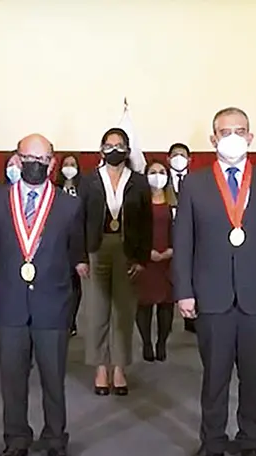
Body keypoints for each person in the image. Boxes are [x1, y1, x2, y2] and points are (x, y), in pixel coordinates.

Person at [173, 107, 256, 456]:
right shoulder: (194, 184)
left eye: (239, 131)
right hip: (212, 297)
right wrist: (184, 290)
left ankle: (250, 442)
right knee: (214, 377)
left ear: (251, 137)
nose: (232, 137)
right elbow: (184, 243)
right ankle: (211, 442)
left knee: (255, 378)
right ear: (213, 139)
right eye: (225, 132)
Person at [0, 133, 86, 456]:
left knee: (54, 379)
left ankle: (56, 439)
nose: (35, 165)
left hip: (52, 305)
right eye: (28, 158)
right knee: (12, 379)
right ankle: (15, 439)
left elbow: (74, 252)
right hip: (10, 304)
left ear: (52, 163)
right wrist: (9, 279)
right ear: (16, 159)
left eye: (41, 160)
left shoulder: (69, 205)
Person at [80, 128, 152, 396]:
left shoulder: (139, 182)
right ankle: (100, 367)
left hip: (127, 250)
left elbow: (146, 223)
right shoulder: (89, 181)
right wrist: (79, 257)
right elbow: (78, 220)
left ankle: (119, 368)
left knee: (123, 313)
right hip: (95, 249)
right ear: (101, 149)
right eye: (109, 145)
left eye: (119, 145)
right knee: (96, 311)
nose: (114, 150)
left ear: (127, 149)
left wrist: (142, 258)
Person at [135, 160, 175, 362]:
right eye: (152, 172)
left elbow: (182, 228)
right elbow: (131, 230)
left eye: (161, 172)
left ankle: (162, 343)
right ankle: (146, 343)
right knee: (144, 303)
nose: (157, 176)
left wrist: (172, 250)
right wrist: (144, 251)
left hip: (169, 259)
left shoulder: (174, 201)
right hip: (145, 259)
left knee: (166, 304)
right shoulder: (137, 201)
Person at [167, 142, 195, 334]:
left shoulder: (196, 182)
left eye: (183, 155)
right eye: (175, 155)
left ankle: (191, 319)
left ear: (189, 160)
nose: (179, 158)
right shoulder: (159, 179)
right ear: (168, 158)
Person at [57, 154, 82, 336]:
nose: (69, 167)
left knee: (74, 286)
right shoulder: (54, 189)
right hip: (58, 242)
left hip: (77, 241)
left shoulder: (83, 188)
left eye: (73, 164)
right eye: (66, 164)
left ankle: (71, 321)